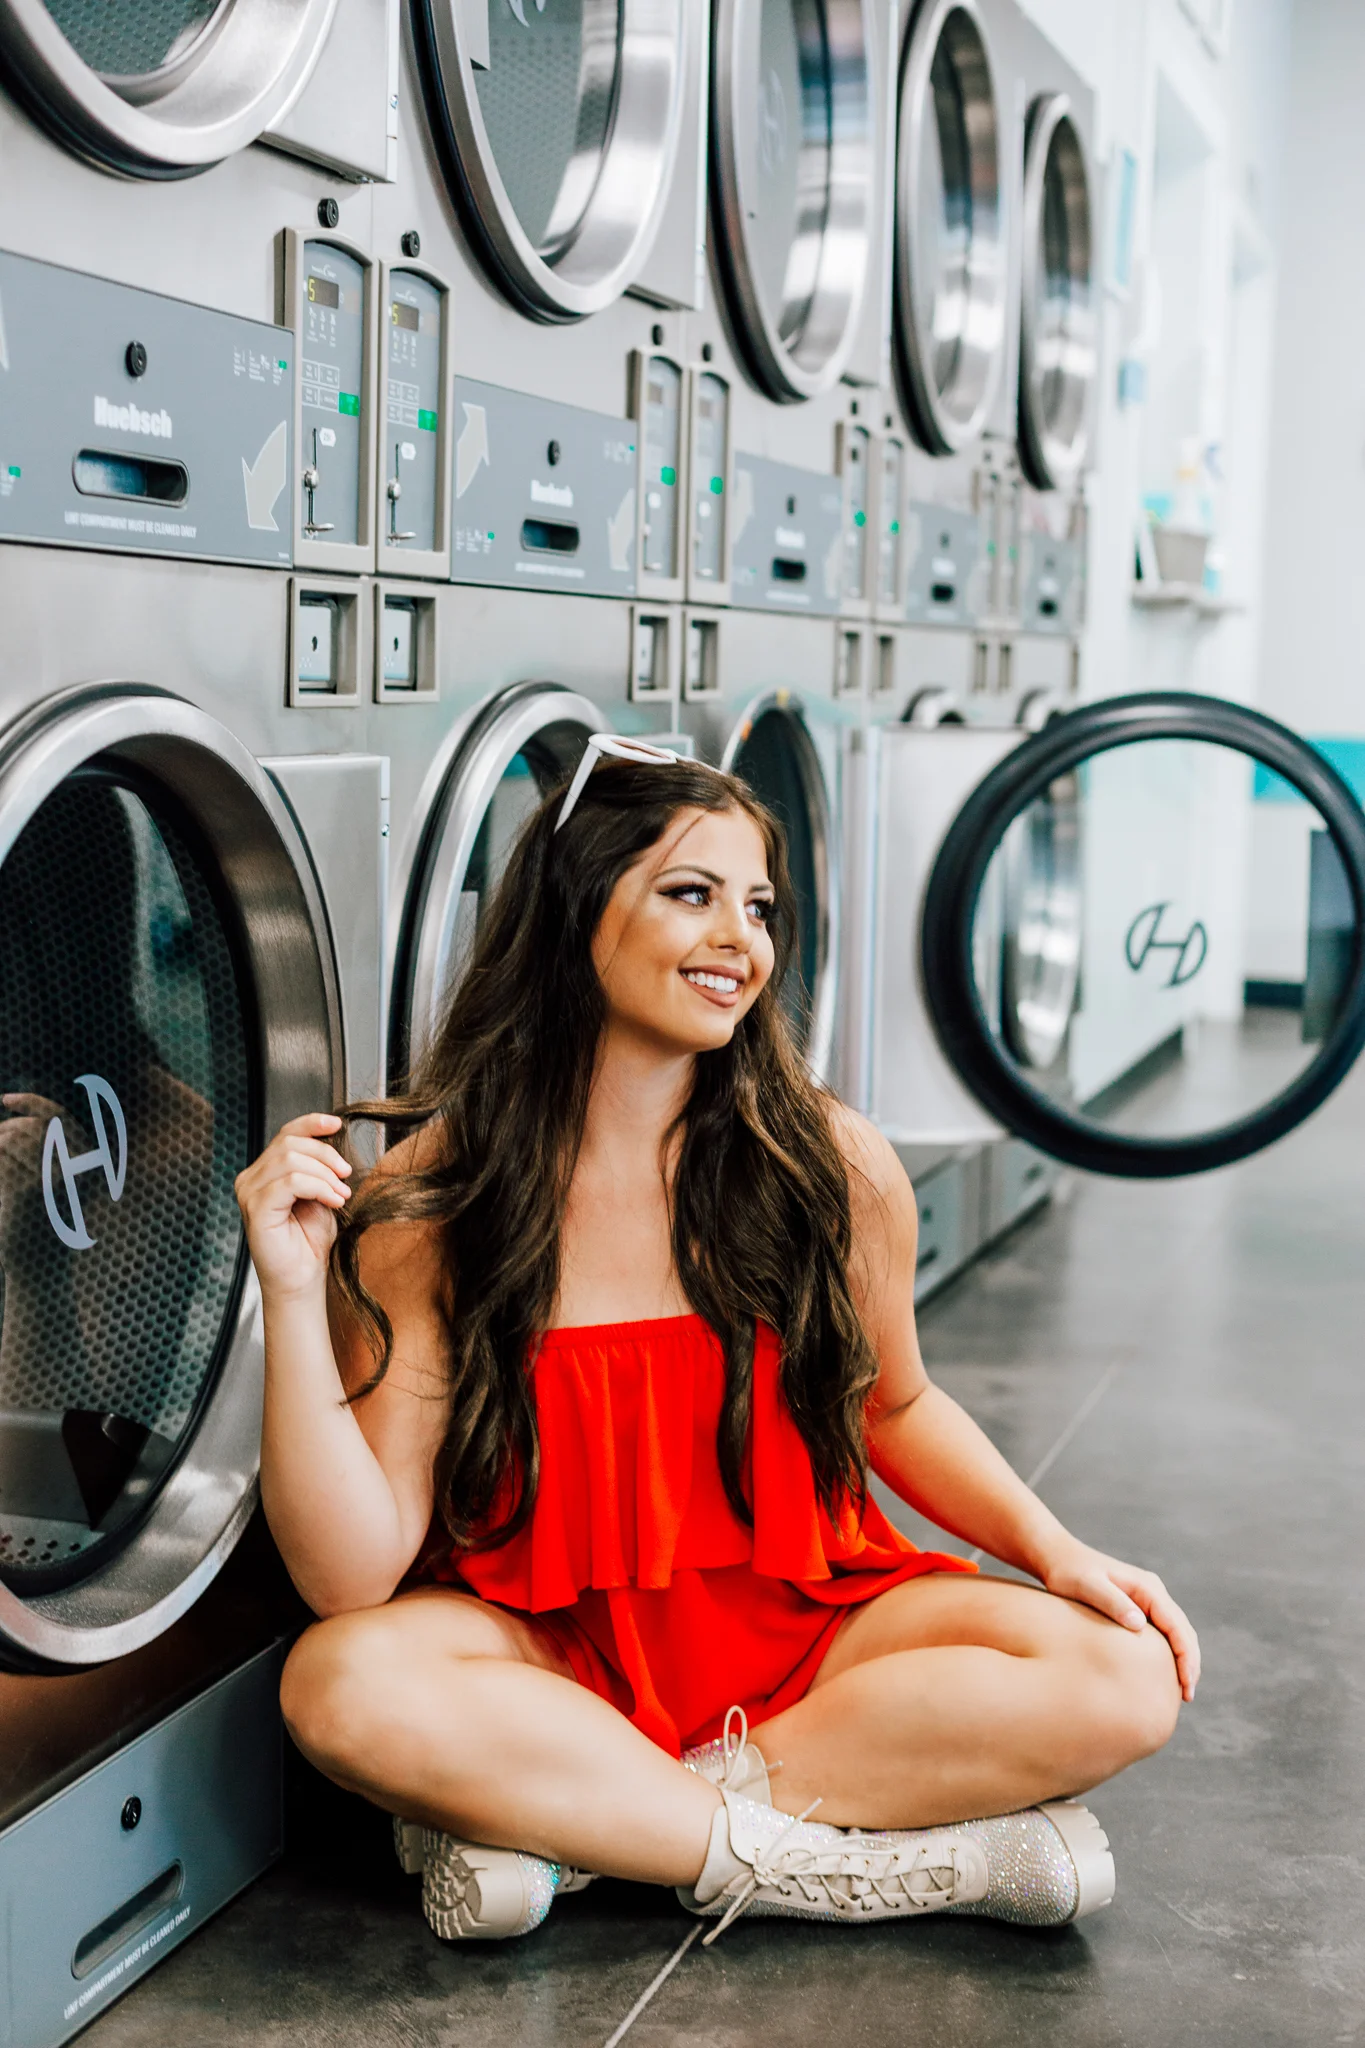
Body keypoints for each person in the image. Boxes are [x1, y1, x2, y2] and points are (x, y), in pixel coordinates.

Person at [235, 742, 1196, 1944]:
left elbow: (893, 1406)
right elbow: (349, 1575)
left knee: (1125, 1676)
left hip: (809, 1633)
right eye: (692, 893)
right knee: (338, 1682)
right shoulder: (445, 1200)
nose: (741, 937)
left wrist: (1056, 1552)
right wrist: (288, 1287)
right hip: (553, 1653)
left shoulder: (827, 1167)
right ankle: (866, 1863)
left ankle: (593, 1826)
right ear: (577, 905)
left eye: (760, 906)